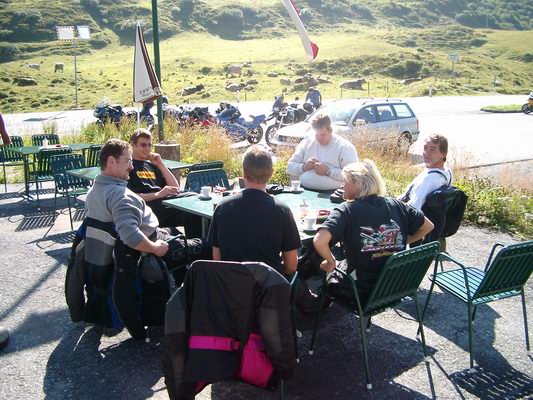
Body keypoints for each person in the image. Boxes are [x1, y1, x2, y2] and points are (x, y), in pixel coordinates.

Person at [207, 146, 320, 313]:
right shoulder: (282, 210)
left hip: (231, 288)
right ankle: (311, 304)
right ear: (271, 173)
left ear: (243, 173)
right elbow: (291, 266)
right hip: (269, 291)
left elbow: (217, 259)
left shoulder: (222, 207)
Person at [313, 160, 434, 306]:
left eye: (345, 181)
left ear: (358, 183)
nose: (342, 185)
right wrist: (400, 241)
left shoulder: (346, 209)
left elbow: (319, 241)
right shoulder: (397, 205)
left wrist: (331, 261)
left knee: (323, 261)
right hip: (393, 289)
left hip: (360, 294)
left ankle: (317, 306)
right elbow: (428, 226)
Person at [127, 129, 201, 237]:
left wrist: (160, 164)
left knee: (195, 202)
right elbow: (131, 197)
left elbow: (175, 187)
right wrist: (159, 194)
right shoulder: (128, 166)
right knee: (191, 206)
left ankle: (201, 243)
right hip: (148, 208)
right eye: (143, 145)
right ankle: (198, 244)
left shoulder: (152, 165)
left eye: (149, 145)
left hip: (164, 203)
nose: (147, 148)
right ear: (132, 145)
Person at [287, 114, 358, 191]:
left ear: (330, 130)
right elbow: (290, 167)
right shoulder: (307, 143)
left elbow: (353, 175)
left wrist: (328, 171)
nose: (319, 138)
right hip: (304, 190)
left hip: (333, 193)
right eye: (316, 134)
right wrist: (304, 167)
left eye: (322, 135)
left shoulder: (345, 147)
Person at [399, 134, 452, 211]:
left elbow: (414, 209)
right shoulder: (447, 172)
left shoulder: (430, 179)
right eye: (425, 148)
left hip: (406, 213)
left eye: (432, 149)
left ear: (443, 154)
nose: (426, 153)